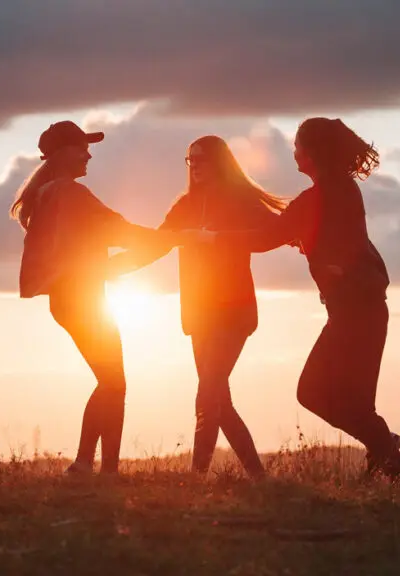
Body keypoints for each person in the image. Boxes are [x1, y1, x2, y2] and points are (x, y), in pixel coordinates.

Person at [188, 118, 400, 483]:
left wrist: (213, 238)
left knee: (311, 392)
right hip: (362, 308)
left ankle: (391, 457)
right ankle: (389, 456)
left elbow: (266, 237)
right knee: (354, 402)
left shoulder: (320, 196)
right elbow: (308, 229)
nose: (292, 151)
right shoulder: (342, 190)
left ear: (311, 153)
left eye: (296, 145)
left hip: (354, 312)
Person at [107, 135, 284, 479]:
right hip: (199, 316)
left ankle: (196, 477)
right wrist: (110, 268)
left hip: (234, 313)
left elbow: (272, 235)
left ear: (219, 162)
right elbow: (156, 245)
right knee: (219, 400)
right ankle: (260, 478)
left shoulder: (241, 201)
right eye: (190, 160)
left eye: (202, 159)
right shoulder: (184, 206)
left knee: (207, 395)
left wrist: (222, 237)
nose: (196, 166)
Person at [11, 120, 179, 476]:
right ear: (62, 153)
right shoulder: (69, 193)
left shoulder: (50, 193)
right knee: (114, 382)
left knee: (112, 382)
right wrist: (174, 236)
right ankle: (92, 466)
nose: (88, 155)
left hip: (75, 298)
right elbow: (117, 228)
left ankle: (99, 468)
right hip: (81, 299)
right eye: (81, 148)